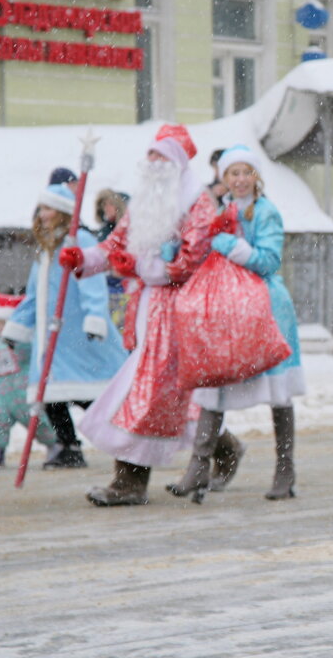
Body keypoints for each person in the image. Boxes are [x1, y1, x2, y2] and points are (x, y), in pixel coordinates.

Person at [60, 124, 218, 507]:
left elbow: (188, 262)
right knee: (176, 396)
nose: (152, 162)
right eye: (150, 154)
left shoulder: (198, 204)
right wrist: (86, 259)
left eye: (161, 156)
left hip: (182, 313)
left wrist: (140, 267)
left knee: (145, 395)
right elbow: (115, 246)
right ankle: (224, 449)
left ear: (176, 163)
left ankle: (130, 481)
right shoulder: (145, 203)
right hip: (148, 312)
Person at [168, 144, 306, 502]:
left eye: (246, 172)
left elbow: (268, 261)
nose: (240, 179)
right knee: (216, 382)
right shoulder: (223, 210)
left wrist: (229, 243)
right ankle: (198, 467)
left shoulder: (265, 212)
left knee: (278, 395)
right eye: (233, 173)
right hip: (231, 310)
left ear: (255, 175)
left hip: (266, 309)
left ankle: (284, 469)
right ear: (224, 178)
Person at [1, 184, 128, 470]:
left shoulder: (79, 239)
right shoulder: (47, 247)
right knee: (50, 394)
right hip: (53, 338)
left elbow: (93, 281)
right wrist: (16, 327)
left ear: (61, 212)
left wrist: (94, 318)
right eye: (42, 208)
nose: (42, 214)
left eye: (47, 209)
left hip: (78, 335)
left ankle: (124, 436)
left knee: (91, 394)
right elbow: (35, 295)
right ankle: (69, 447)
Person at [0, 294, 59, 468]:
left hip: (23, 391)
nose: (1, 327)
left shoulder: (24, 341)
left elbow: (36, 356)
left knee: (37, 421)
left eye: (5, 323)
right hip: (0, 392)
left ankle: (53, 445)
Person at [94, 189, 131, 333]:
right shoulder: (105, 231)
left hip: (124, 288)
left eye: (108, 204)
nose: (105, 209)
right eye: (103, 205)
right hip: (107, 286)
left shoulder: (128, 230)